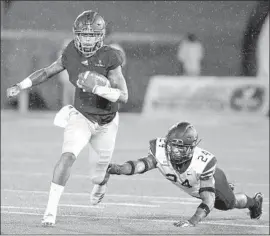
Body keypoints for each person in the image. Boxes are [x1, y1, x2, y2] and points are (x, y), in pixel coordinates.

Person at [6, 10, 128, 227]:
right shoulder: (71, 52)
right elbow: (47, 71)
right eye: (83, 34)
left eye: (91, 35)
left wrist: (98, 88)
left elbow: (124, 96)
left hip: (107, 123)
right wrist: (21, 85)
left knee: (98, 176)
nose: (86, 39)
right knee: (67, 156)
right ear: (76, 34)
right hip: (81, 116)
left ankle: (101, 183)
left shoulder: (111, 56)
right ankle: (50, 211)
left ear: (100, 36)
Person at [108, 122, 263, 228]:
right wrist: (120, 168)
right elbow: (140, 165)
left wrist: (193, 221)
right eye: (172, 145)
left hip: (211, 182)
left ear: (190, 148)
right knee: (209, 196)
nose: (173, 151)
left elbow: (208, 199)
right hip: (193, 185)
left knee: (229, 204)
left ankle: (254, 202)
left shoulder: (202, 163)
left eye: (179, 147)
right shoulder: (161, 151)